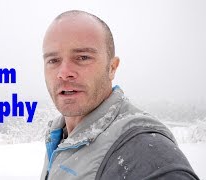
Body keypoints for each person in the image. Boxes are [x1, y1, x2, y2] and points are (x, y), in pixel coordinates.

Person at [40, 10, 199, 180]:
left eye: (82, 57)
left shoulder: (142, 152)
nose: (64, 73)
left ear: (112, 68)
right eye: (53, 60)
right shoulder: (58, 136)